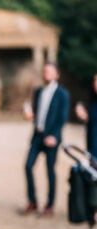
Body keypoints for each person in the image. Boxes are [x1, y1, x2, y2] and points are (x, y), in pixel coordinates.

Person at [21, 61, 70, 217]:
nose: (46, 74)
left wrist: (54, 136)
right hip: (37, 136)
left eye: (49, 71)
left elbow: (62, 118)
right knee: (28, 166)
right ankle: (32, 201)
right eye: (44, 71)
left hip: (51, 138)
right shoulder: (38, 91)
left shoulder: (63, 94)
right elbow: (35, 113)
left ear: (57, 74)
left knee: (50, 171)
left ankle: (49, 205)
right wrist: (29, 115)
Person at [74, 73, 97, 158]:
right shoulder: (93, 101)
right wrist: (83, 116)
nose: (95, 83)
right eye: (94, 80)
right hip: (92, 149)